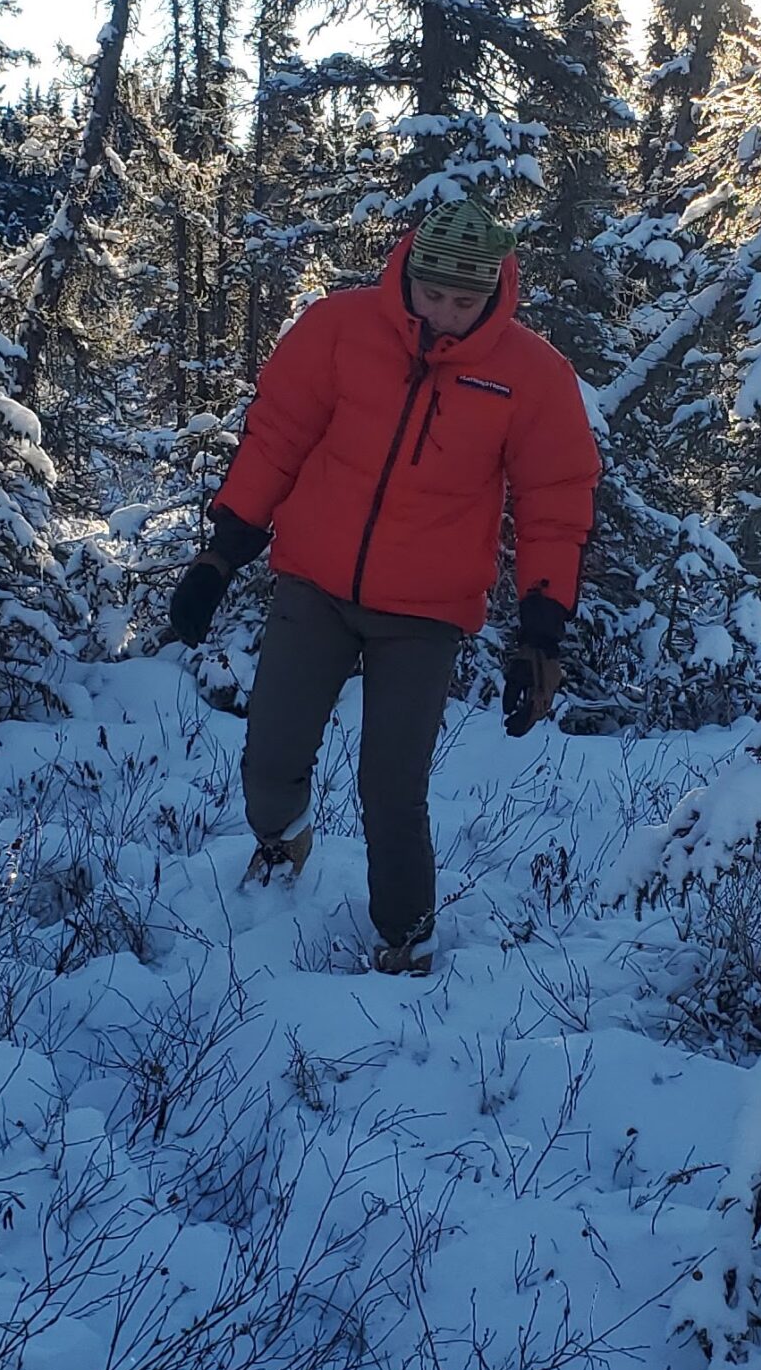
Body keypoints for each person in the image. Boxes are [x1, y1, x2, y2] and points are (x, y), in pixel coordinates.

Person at [166, 199, 601, 973]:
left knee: (391, 788)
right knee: (269, 757)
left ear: (495, 291)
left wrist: (541, 634)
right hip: (315, 581)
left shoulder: (533, 375)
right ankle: (281, 839)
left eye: (464, 303)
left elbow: (555, 504)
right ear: (408, 273)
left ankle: (406, 935)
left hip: (426, 614)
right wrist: (222, 553)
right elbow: (276, 439)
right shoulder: (338, 329)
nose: (443, 315)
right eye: (432, 296)